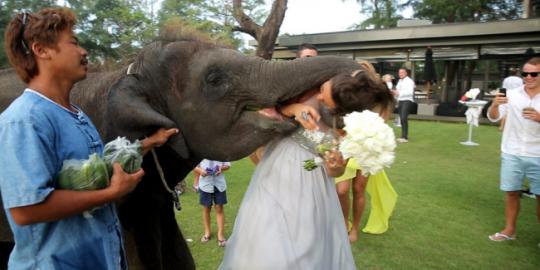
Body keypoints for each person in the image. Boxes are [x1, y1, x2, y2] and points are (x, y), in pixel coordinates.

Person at [0, 8, 178, 269]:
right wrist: (111, 193)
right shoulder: (25, 120)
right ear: (42, 50)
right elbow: (26, 209)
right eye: (73, 42)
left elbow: (96, 167)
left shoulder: (75, 114)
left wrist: (147, 144)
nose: (83, 51)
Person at [219, 62, 394, 270]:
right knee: (263, 236)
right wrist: (294, 108)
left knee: (305, 246)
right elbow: (269, 109)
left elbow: (335, 171)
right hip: (277, 173)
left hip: (312, 187)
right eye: (322, 91)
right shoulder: (309, 85)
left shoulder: (347, 127)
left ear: (340, 110)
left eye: (325, 100)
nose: (319, 97)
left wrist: (335, 165)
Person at [487, 57, 540, 242]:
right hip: (512, 151)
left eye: (534, 73)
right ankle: (509, 230)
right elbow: (494, 117)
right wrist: (494, 105)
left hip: (538, 154)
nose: (529, 77)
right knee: (511, 192)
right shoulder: (512, 94)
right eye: (525, 73)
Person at [249, 43, 320, 165]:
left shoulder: (320, 87)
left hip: (309, 144)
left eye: (315, 59)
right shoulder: (283, 82)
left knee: (309, 171)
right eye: (308, 57)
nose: (312, 62)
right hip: (280, 142)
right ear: (297, 60)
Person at [194, 159, 231, 247]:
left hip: (219, 184)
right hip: (205, 184)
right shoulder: (200, 150)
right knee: (206, 208)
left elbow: (228, 165)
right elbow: (193, 165)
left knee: (219, 208)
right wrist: (200, 171)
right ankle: (207, 233)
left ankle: (220, 235)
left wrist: (221, 168)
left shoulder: (222, 151)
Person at [392, 68, 415, 143]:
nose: (400, 74)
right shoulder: (400, 81)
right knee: (401, 118)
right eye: (399, 72)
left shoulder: (409, 81)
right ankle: (403, 136)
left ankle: (405, 137)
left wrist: (398, 93)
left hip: (407, 101)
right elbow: (397, 91)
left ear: (406, 73)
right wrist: (395, 94)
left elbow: (410, 93)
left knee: (404, 118)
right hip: (401, 101)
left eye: (402, 72)